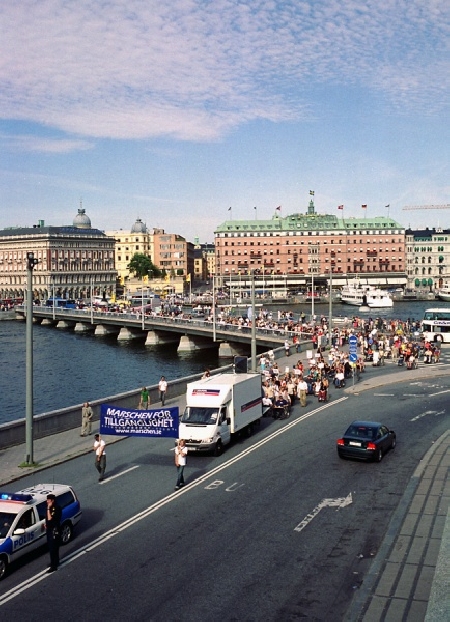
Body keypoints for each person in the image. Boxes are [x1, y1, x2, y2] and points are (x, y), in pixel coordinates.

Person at [45, 493, 62, 573]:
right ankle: (56, 561)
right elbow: (48, 520)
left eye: (48, 500)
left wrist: (48, 508)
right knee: (52, 547)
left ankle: (53, 566)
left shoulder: (55, 508)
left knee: (53, 548)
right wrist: (46, 524)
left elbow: (50, 519)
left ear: (52, 500)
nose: (47, 501)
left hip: (54, 530)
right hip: (49, 529)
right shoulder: (51, 507)